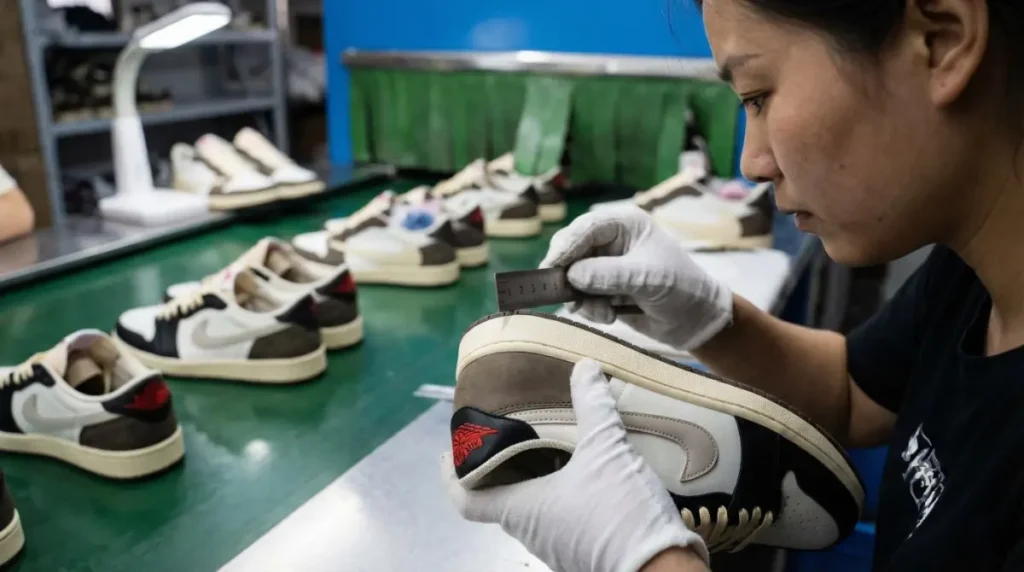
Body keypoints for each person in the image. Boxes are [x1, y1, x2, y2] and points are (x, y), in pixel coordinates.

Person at [442, 0, 1024, 570]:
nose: (752, 162)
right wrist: (709, 320)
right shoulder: (968, 278)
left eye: (758, 95)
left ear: (941, 41)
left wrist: (645, 558)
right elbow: (856, 394)